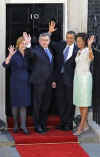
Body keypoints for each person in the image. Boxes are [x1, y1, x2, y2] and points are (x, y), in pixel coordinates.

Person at [24, 32, 56, 134]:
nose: (44, 42)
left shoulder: (50, 50)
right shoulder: (35, 50)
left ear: (49, 41)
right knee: (37, 104)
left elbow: (51, 67)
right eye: (42, 40)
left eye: (46, 40)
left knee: (46, 105)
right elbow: (29, 55)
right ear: (39, 41)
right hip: (38, 82)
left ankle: (43, 123)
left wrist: (53, 80)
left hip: (48, 83)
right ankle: (37, 126)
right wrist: (28, 45)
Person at [49, 21, 78, 131]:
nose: (69, 40)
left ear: (74, 39)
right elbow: (49, 43)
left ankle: (69, 123)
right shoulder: (61, 45)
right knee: (60, 101)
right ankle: (62, 122)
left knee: (70, 102)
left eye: (71, 38)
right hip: (59, 79)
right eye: (68, 37)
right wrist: (50, 32)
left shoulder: (77, 50)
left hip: (71, 80)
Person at [2, 36, 31, 134]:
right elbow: (5, 65)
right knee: (15, 105)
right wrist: (10, 55)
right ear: (18, 45)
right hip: (15, 83)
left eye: (25, 43)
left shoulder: (28, 54)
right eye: (22, 43)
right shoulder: (14, 54)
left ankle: (23, 126)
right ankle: (15, 125)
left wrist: (29, 43)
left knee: (23, 105)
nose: (23, 45)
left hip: (25, 83)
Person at [73, 33, 94, 136]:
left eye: (80, 41)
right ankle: (85, 125)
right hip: (78, 78)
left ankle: (81, 127)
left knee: (84, 103)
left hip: (85, 79)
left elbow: (91, 57)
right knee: (80, 103)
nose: (78, 42)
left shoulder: (87, 50)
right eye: (77, 41)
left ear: (85, 41)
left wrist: (90, 46)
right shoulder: (79, 51)